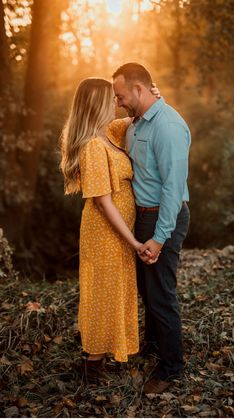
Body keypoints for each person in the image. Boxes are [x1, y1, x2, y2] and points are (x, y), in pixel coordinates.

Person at [60, 78, 158, 378]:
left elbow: (134, 115)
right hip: (105, 234)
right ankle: (92, 364)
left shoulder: (108, 133)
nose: (117, 101)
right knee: (102, 294)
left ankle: (101, 358)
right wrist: (133, 241)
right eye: (111, 98)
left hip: (116, 235)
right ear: (97, 104)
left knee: (113, 292)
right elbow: (103, 202)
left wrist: (154, 97)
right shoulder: (92, 147)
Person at [112, 63, 191, 394]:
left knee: (161, 295)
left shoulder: (169, 127)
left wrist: (159, 239)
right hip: (143, 216)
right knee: (147, 291)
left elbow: (173, 190)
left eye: (121, 95)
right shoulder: (135, 123)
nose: (118, 102)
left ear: (140, 90)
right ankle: (155, 346)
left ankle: (172, 368)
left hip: (165, 217)